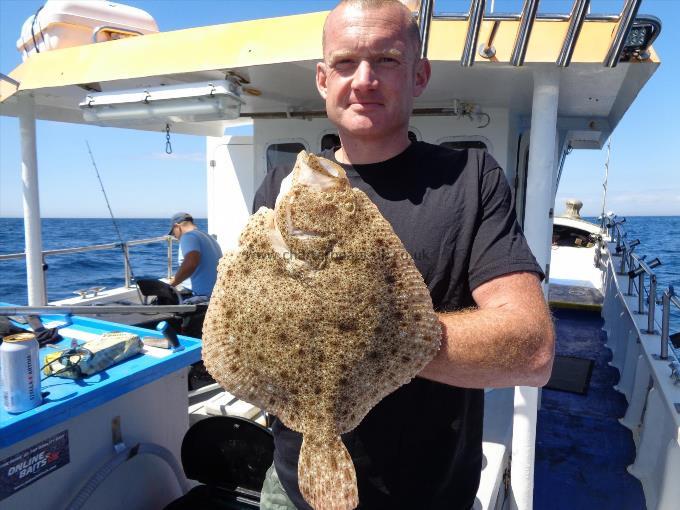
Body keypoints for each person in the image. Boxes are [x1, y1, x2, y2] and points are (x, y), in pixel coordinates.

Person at [253, 1, 555, 508]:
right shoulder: (281, 188)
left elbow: (531, 349)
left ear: (419, 75)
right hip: (293, 483)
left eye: (387, 61)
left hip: (428, 491)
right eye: (346, 62)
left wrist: (369, 336)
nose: (365, 79)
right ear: (323, 79)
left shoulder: (471, 180)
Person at [168, 212, 222, 300]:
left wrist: (171, 284)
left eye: (174, 233)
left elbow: (191, 263)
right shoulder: (209, 237)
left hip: (200, 296)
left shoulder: (188, 236)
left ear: (176, 227)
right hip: (216, 293)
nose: (175, 237)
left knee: (160, 297)